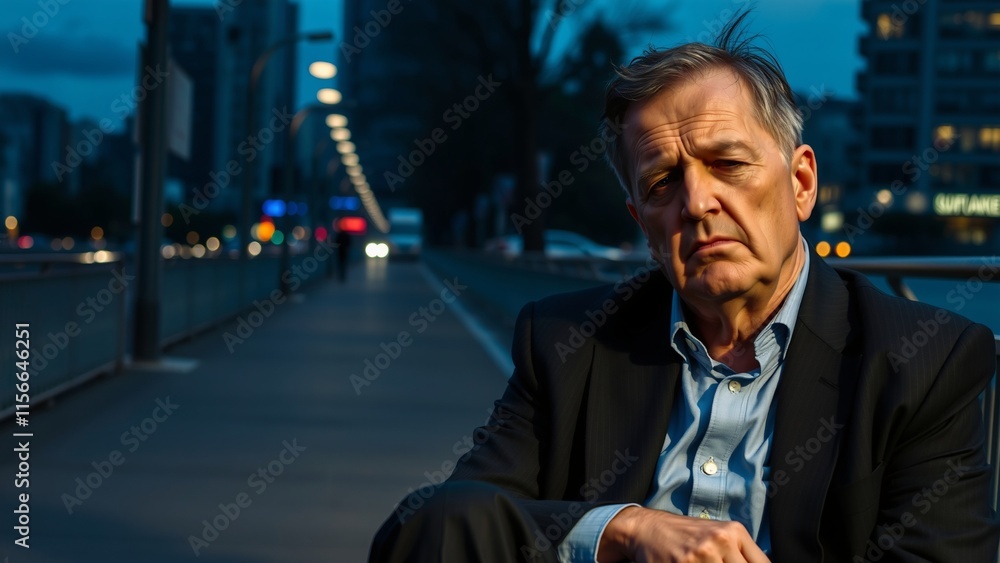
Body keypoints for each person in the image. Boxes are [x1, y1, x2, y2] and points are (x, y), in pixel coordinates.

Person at [370, 13, 999, 563]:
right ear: (642, 223)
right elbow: (433, 527)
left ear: (802, 183)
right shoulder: (569, 343)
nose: (697, 202)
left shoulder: (923, 360)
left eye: (728, 164)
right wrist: (621, 529)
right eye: (662, 182)